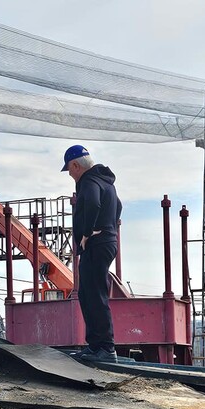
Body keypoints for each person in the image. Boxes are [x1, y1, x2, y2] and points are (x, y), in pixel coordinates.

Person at [62, 144, 121, 362]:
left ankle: (105, 348)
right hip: (106, 242)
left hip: (96, 244)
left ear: (76, 165)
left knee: (94, 294)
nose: (69, 174)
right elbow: (120, 206)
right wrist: (110, 227)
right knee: (88, 293)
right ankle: (96, 346)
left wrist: (88, 233)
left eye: (69, 169)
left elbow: (94, 203)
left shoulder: (88, 181)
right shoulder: (106, 181)